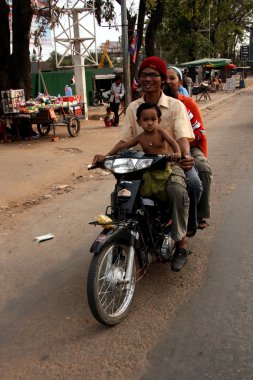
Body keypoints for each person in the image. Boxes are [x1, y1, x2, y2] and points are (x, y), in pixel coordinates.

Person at [93, 56, 196, 272]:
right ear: (138, 79)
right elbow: (126, 140)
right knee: (121, 194)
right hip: (139, 165)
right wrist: (106, 156)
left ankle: (181, 244)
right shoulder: (132, 108)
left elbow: (182, 138)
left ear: (162, 79)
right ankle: (126, 235)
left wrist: (184, 156)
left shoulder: (175, 106)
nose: (148, 79)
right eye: (144, 75)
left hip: (167, 163)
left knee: (177, 190)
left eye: (153, 74)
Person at [165, 66, 212, 231]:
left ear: (180, 82)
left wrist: (199, 156)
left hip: (190, 147)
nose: (168, 82)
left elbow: (200, 132)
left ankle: (199, 213)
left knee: (203, 169)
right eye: (166, 78)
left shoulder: (188, 104)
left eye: (172, 78)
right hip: (167, 150)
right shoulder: (152, 104)